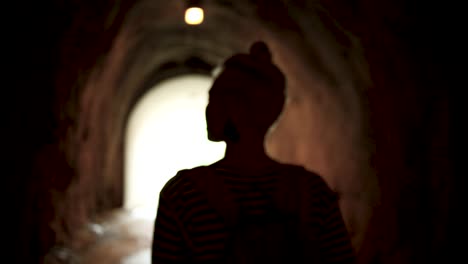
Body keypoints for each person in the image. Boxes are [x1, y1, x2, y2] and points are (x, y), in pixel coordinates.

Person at [152, 41, 355, 263]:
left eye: (213, 98)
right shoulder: (313, 191)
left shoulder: (182, 194)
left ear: (237, 106)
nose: (208, 108)